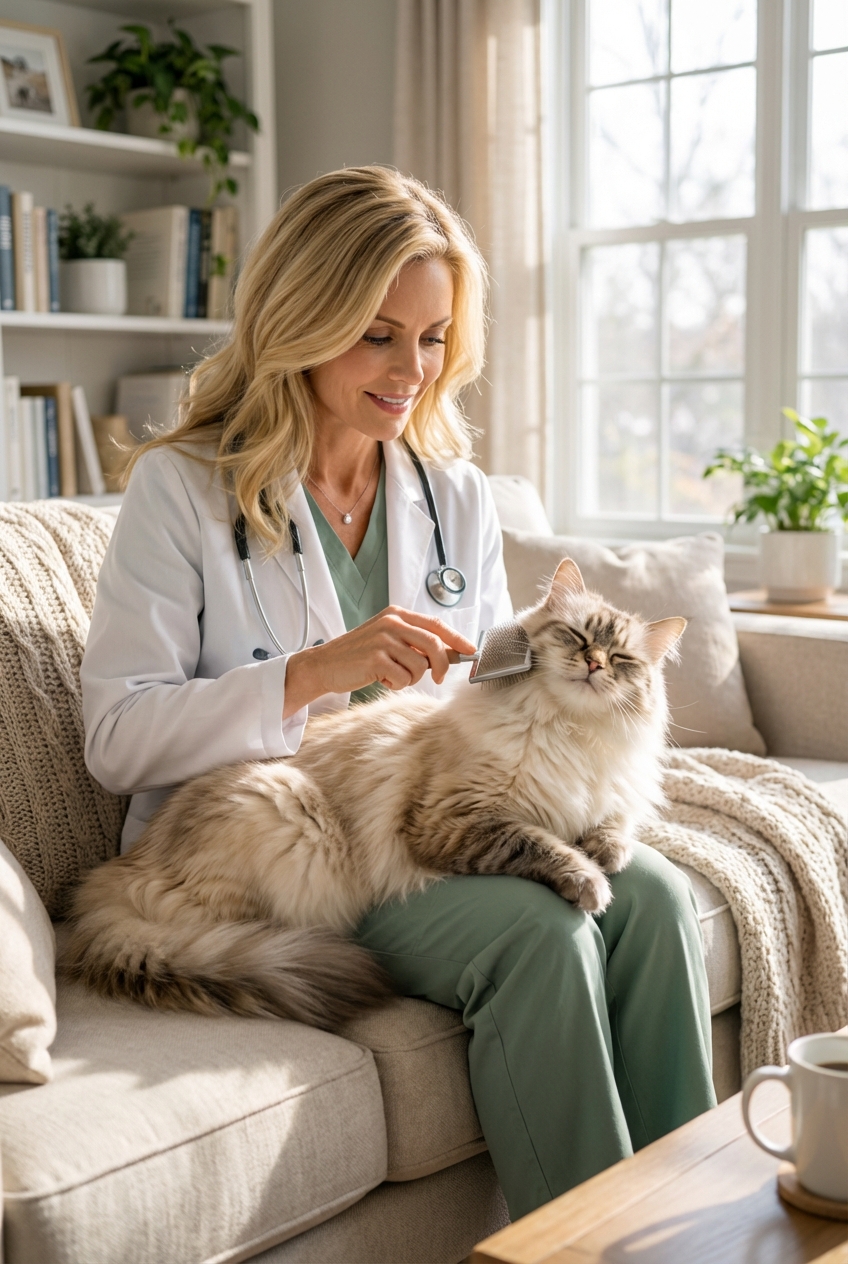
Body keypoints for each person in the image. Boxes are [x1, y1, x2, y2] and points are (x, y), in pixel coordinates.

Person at [81, 166, 716, 1221]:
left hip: (431, 817)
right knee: (539, 933)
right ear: (301, 316)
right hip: (301, 854)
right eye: (377, 333)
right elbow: (114, 738)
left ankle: (698, 1224)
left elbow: (486, 699)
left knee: (646, 895)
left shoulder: (449, 491)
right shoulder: (183, 488)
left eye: (431, 338)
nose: (410, 369)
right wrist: (318, 669)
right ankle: (597, 1249)